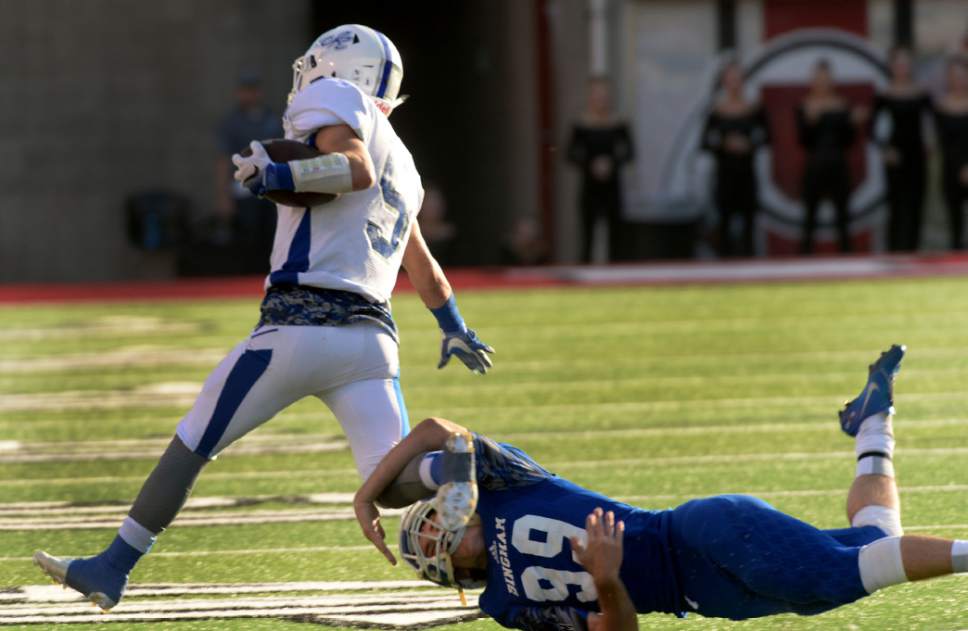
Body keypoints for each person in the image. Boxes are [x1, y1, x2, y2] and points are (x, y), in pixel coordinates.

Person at [33, 24, 494, 611]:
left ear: (334, 70)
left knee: (193, 442)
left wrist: (277, 175)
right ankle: (448, 467)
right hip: (372, 343)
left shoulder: (335, 101)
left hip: (300, 324)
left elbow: (353, 169)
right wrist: (453, 325)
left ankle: (112, 567)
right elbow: (425, 270)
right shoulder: (406, 162)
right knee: (392, 478)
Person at [353, 345, 968, 629]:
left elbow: (441, 432)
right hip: (703, 598)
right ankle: (873, 425)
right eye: (441, 535)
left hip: (698, 532)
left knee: (839, 576)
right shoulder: (504, 608)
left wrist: (370, 493)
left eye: (438, 516)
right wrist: (606, 578)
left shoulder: (506, 485)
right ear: (453, 570)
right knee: (874, 544)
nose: (450, 524)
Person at [700, 60, 771, 257]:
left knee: (749, 223)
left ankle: (750, 268)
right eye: (730, 79)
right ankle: (724, 270)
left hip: (747, 173)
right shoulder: (716, 111)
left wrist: (749, 145)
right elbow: (705, 143)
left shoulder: (754, 108)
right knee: (724, 222)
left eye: (738, 79)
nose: (734, 83)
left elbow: (767, 137)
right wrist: (725, 144)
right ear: (724, 82)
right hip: (725, 174)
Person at [214, 73, 284, 257]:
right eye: (246, 91)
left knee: (272, 234)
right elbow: (223, 159)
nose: (250, 95)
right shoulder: (231, 123)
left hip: (273, 186)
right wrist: (223, 195)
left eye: (253, 91)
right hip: (243, 187)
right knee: (248, 235)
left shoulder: (272, 119)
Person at [869, 48, 931, 252]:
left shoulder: (921, 93)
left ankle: (913, 249)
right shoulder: (884, 94)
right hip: (895, 154)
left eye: (906, 64)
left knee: (916, 204)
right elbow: (870, 128)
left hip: (916, 154)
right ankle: (894, 250)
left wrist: (929, 143)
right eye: (898, 64)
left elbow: (934, 122)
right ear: (892, 67)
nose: (902, 68)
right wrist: (885, 149)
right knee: (895, 204)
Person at [567, 77, 635, 263]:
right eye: (597, 95)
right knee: (587, 234)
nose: (601, 99)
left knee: (616, 235)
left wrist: (612, 163)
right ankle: (586, 271)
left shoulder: (618, 123)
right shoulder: (581, 124)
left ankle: (617, 273)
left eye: (604, 95)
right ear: (590, 97)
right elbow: (571, 154)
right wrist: (591, 164)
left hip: (613, 186)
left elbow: (629, 153)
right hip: (590, 186)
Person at [796, 59, 861, 254]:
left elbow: (849, 141)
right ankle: (804, 265)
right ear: (812, 81)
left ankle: (847, 263)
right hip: (815, 165)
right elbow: (803, 141)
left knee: (843, 219)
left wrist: (852, 124)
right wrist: (810, 121)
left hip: (838, 164)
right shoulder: (805, 105)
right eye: (819, 79)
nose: (822, 83)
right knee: (809, 220)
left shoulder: (842, 105)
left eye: (826, 79)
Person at [932, 56, 968, 250]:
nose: (959, 80)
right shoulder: (940, 107)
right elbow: (944, 143)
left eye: (963, 76)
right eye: (955, 76)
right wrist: (961, 167)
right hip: (951, 170)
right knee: (955, 226)